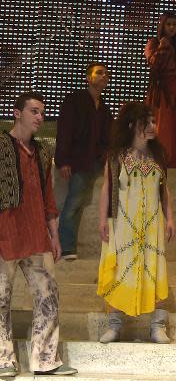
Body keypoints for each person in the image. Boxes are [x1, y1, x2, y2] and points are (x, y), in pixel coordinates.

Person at [0, 92, 77, 376]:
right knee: (0, 298)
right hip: (5, 235)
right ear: (17, 113)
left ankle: (45, 359)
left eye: (42, 112)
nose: (40, 117)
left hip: (35, 236)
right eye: (34, 111)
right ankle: (3, 359)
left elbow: (48, 198)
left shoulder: (43, 151)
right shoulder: (1, 146)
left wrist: (54, 236)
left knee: (48, 296)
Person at [97, 102, 175, 344]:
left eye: (153, 122)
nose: (153, 126)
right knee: (121, 270)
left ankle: (158, 326)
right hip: (123, 224)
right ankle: (114, 325)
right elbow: (106, 187)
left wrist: (170, 217)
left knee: (156, 269)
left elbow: (165, 191)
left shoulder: (158, 156)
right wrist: (102, 220)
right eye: (147, 122)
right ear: (132, 125)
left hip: (152, 226)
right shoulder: (116, 157)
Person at [55, 62, 113, 261]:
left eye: (106, 74)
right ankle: (66, 248)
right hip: (79, 160)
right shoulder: (75, 100)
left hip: (96, 162)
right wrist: (63, 161)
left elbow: (108, 137)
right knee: (74, 202)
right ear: (89, 78)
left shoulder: (104, 108)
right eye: (99, 73)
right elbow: (64, 130)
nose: (104, 76)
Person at [144, 11, 176, 168]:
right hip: (162, 94)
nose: (172, 27)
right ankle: (160, 161)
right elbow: (153, 64)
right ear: (162, 25)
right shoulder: (154, 43)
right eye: (168, 24)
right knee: (162, 127)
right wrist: (162, 47)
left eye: (174, 24)